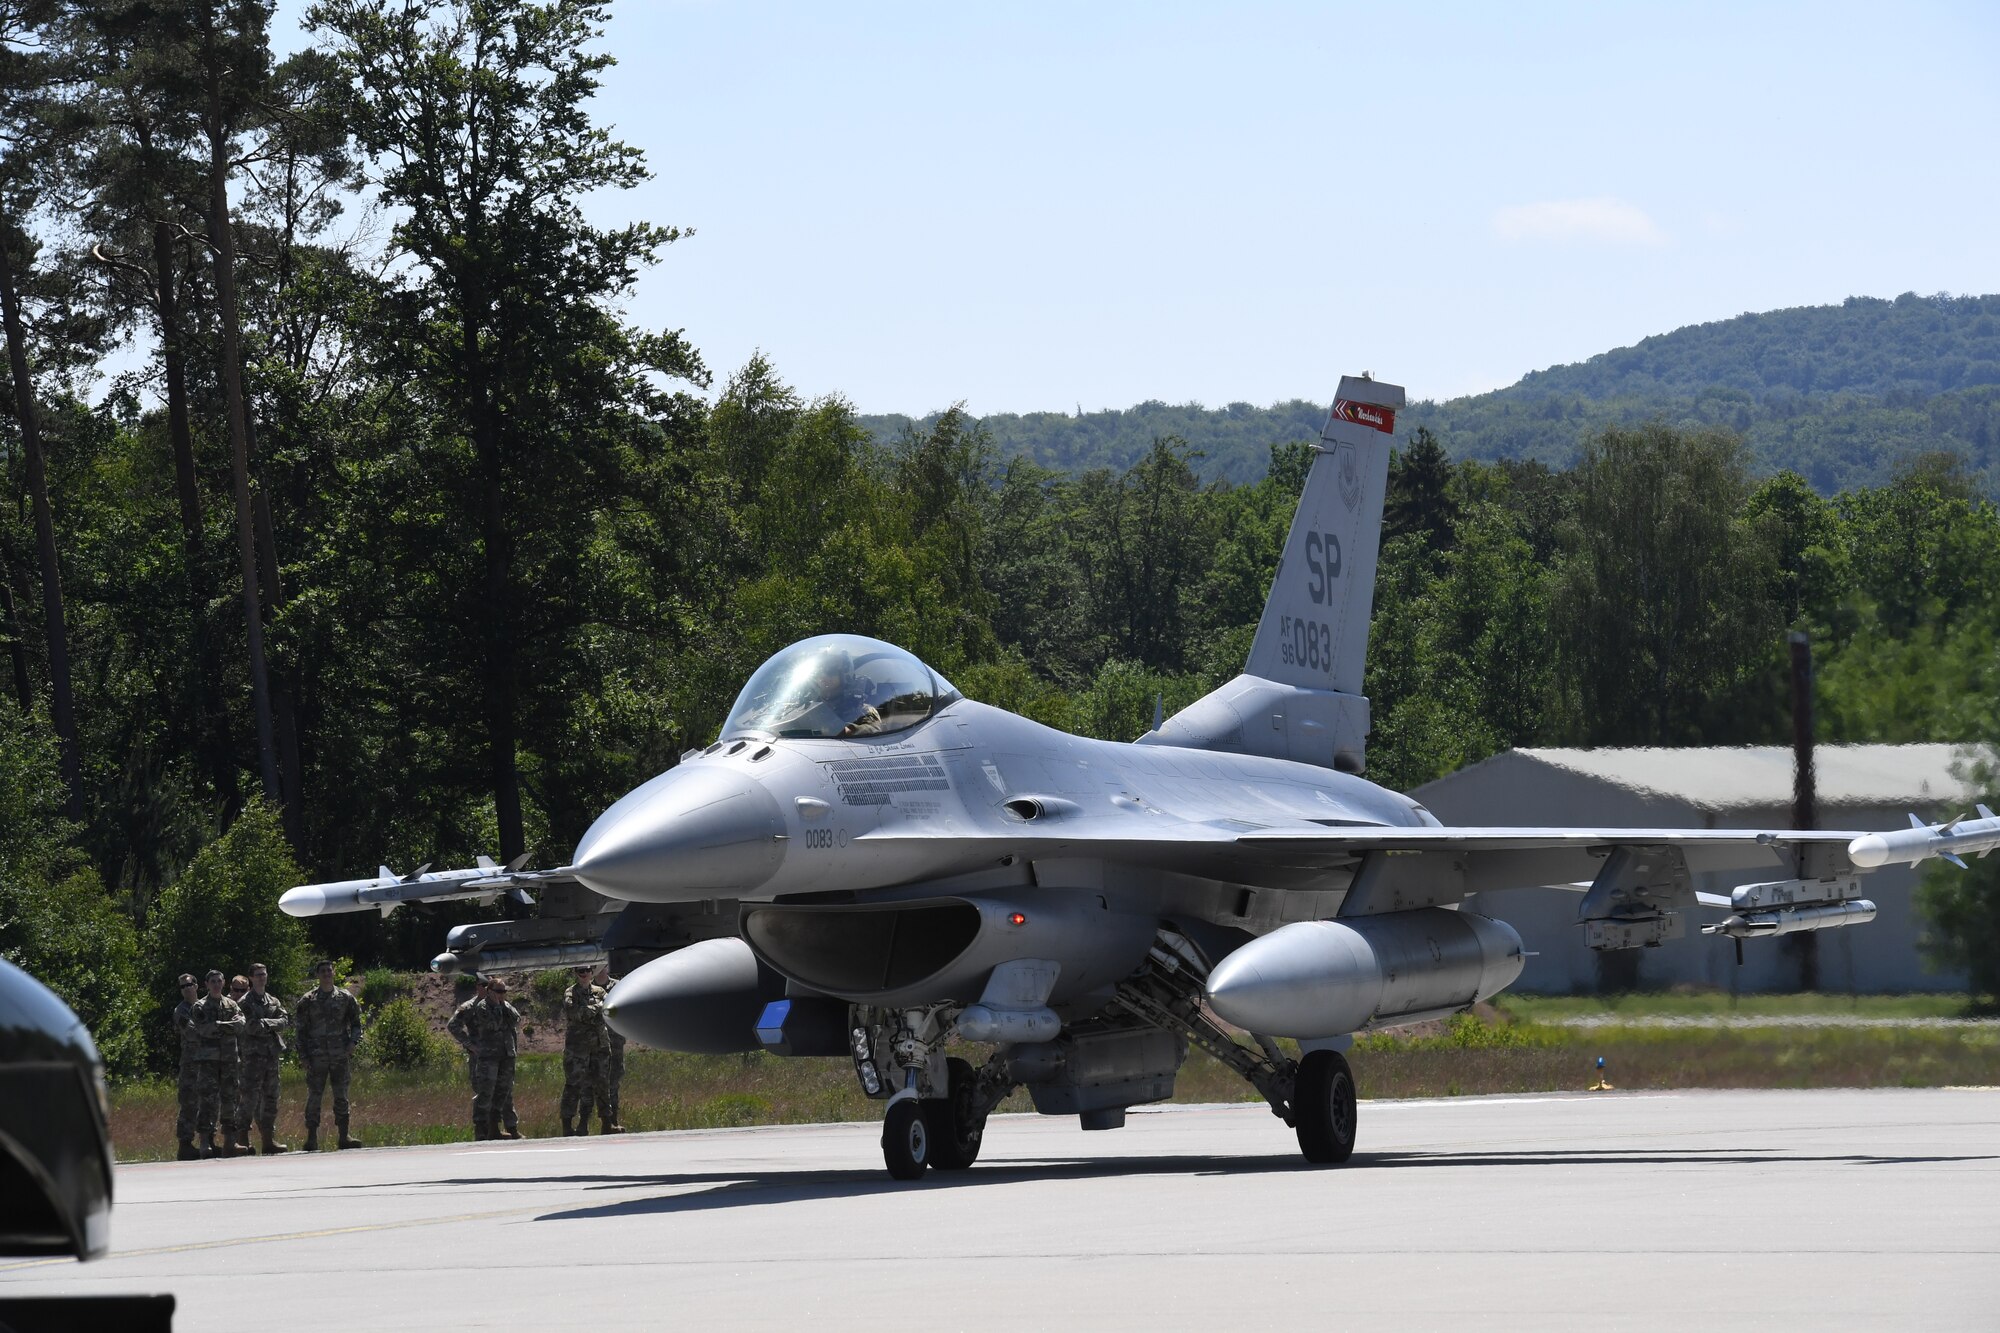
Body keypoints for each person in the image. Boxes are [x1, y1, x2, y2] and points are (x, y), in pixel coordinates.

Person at [295, 960, 363, 1151]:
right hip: (316, 1057)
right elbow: (300, 1031)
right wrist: (303, 1056)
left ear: (333, 973)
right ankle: (311, 1138)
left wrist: (353, 1043)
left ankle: (344, 1136)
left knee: (341, 1096)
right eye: (322, 971)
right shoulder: (308, 1000)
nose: (326, 974)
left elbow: (357, 1023)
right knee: (314, 1097)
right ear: (317, 975)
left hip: (339, 1055)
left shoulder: (344, 997)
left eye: (329, 970)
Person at [450, 976, 519, 1140]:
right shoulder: (480, 1007)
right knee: (485, 1092)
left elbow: (516, 1019)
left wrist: (502, 1005)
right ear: (488, 990)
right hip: (488, 1056)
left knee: (504, 1092)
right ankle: (482, 1130)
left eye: (504, 991)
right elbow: (493, 1025)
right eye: (498, 991)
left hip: (506, 1054)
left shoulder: (504, 1004)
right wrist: (469, 1044)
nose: (501, 994)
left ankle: (497, 1128)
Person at [189, 970, 246, 1158]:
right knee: (208, 1102)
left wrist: (221, 1025)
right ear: (206, 984)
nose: (216, 984)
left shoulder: (231, 1004)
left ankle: (230, 1141)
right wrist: (226, 1026)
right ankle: (206, 1141)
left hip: (229, 1059)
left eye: (219, 981)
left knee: (230, 1100)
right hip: (208, 1061)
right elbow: (204, 1029)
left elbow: (240, 1025)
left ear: (223, 983)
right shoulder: (200, 1006)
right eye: (212, 981)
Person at [237, 963, 291, 1154]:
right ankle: (242, 1139)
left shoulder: (273, 1001)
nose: (262, 977)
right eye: (258, 975)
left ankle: (268, 1139)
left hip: (271, 1056)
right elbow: (251, 1026)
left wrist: (266, 1023)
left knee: (271, 1098)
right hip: (252, 1058)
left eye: (264, 974)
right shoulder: (245, 1002)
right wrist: (272, 1024)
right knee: (249, 1099)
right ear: (251, 978)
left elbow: (285, 1021)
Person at [559, 965, 611, 1135]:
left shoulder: (600, 992)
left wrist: (592, 1010)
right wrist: (596, 1008)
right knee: (574, 1085)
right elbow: (576, 1013)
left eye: (587, 971)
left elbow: (609, 1010)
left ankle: (605, 1122)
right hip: (577, 1048)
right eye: (580, 971)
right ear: (576, 973)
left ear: (591, 973)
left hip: (599, 1046)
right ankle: (567, 1125)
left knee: (601, 1084)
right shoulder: (570, 993)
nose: (584, 974)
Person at [172, 974, 202, 1161]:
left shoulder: (205, 1006)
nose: (186, 989)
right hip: (191, 1063)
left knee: (208, 1102)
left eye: (189, 985)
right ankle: (185, 1144)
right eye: (182, 987)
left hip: (208, 1061)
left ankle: (207, 1141)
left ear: (196, 986)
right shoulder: (181, 1011)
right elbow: (193, 1032)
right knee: (189, 1103)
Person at [594, 964, 627, 1132]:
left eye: (603, 966)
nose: (600, 969)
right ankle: (590, 1122)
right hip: (595, 1044)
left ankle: (612, 1121)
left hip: (615, 1042)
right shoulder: (587, 988)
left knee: (614, 1081)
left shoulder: (618, 987)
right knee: (594, 1083)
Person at [222, 975, 251, 1152]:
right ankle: (227, 1142)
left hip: (248, 1060)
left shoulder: (250, 1004)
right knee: (228, 1101)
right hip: (227, 1060)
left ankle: (243, 1139)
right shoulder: (225, 1005)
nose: (238, 994)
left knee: (246, 1101)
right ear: (230, 989)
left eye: (242, 990)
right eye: (235, 990)